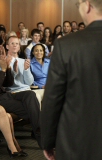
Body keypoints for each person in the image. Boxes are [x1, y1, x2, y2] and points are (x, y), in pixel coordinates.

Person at [41, 0, 102, 160]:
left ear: (88, 5)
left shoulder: (66, 45)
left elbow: (53, 98)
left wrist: (47, 142)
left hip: (76, 142)